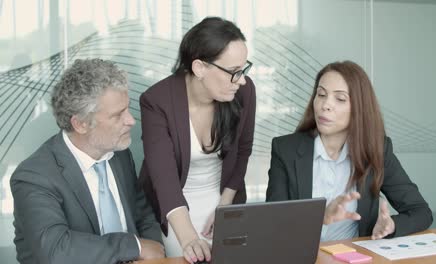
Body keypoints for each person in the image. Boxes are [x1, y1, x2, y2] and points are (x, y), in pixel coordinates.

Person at [10, 58, 165, 264]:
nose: (131, 121)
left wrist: (152, 250)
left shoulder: (119, 154)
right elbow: (57, 251)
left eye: (127, 109)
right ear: (81, 124)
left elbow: (142, 213)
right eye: (117, 115)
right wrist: (134, 246)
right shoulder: (34, 177)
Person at [266, 60, 432, 241]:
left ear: (359, 108)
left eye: (340, 99)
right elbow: (273, 223)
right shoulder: (285, 150)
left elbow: (421, 212)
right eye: (321, 94)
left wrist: (391, 225)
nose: (325, 105)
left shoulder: (377, 150)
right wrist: (319, 219)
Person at [139, 17, 256, 263]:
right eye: (234, 72)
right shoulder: (156, 101)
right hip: (174, 207)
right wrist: (190, 238)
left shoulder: (244, 91)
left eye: (244, 69)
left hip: (224, 197)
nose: (242, 80)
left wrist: (224, 207)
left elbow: (243, 151)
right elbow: (164, 178)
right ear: (200, 68)